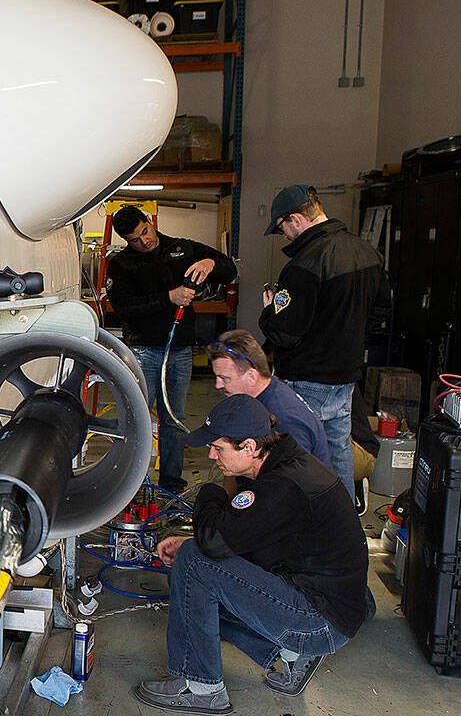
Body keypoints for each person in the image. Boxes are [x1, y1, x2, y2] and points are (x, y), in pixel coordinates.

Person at [134, 394, 369, 716]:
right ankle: (290, 653)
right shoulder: (285, 464)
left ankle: (200, 686)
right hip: (333, 606)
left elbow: (214, 543)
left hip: (317, 622)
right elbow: (243, 534)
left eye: (218, 448)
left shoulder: (283, 486)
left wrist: (212, 491)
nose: (211, 456)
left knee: (193, 562)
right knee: (198, 578)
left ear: (249, 447)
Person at [258, 185, 387, 498]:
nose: (285, 236)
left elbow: (283, 334)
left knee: (297, 455)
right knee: (337, 450)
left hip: (307, 379)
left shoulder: (304, 265)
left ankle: (302, 525)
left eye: (282, 228)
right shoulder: (367, 252)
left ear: (296, 219)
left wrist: (269, 311)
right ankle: (341, 522)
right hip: (345, 377)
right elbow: (380, 316)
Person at [107, 205, 237, 491]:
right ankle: (132, 487)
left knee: (174, 420)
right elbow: (124, 308)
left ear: (150, 222)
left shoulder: (181, 249)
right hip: (143, 351)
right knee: (137, 420)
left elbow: (230, 270)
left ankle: (170, 486)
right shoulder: (121, 265)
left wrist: (210, 264)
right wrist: (170, 297)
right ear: (126, 240)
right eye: (135, 240)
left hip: (179, 351)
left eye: (145, 232)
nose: (145, 241)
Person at [207, 329, 330, 468]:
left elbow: (297, 480)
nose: (218, 385)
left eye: (224, 378)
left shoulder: (283, 418)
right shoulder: (262, 395)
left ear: (251, 377)